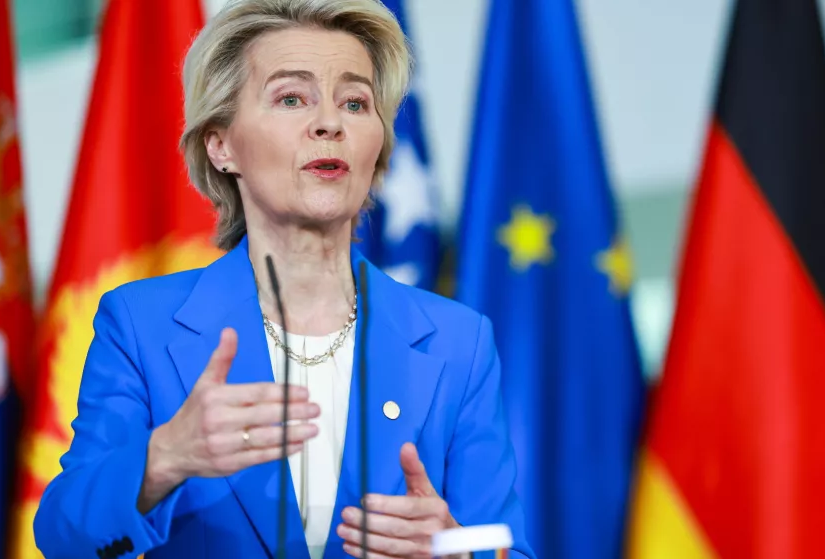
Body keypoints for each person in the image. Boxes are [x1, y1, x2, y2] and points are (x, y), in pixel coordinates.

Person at [32, 1, 534, 558]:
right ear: (221, 145)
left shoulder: (458, 340)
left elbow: (507, 547)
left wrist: (459, 552)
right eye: (292, 98)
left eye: (355, 102)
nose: (330, 123)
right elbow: (64, 539)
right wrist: (167, 456)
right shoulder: (141, 324)